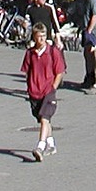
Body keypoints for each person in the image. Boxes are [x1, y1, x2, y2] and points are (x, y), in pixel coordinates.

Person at [22, 23, 66, 161]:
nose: (41, 39)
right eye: (38, 36)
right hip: (34, 92)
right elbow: (27, 71)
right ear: (34, 37)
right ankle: (51, 144)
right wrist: (29, 88)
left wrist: (53, 87)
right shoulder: (30, 53)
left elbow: (60, 71)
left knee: (44, 118)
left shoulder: (53, 52)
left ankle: (40, 147)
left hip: (48, 91)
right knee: (43, 119)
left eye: (43, 36)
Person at [77, 0, 96, 90]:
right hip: (86, 29)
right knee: (87, 55)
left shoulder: (93, 0)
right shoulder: (87, 1)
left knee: (92, 55)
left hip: (92, 32)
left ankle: (93, 78)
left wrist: (89, 30)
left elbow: (95, 16)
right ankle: (89, 76)